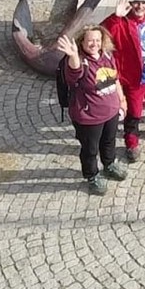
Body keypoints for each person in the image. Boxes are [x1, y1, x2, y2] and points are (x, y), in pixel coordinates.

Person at [56, 27, 128, 196]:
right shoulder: (80, 61)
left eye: (97, 40)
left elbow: (115, 80)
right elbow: (73, 74)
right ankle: (92, 175)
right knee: (90, 149)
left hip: (111, 112)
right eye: (90, 40)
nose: (94, 44)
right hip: (89, 117)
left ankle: (109, 164)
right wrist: (73, 55)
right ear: (82, 42)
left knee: (109, 141)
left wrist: (122, 100)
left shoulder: (107, 56)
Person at [101, 0, 145, 163]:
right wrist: (115, 17)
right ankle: (131, 143)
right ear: (131, 4)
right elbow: (102, 34)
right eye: (136, 2)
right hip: (135, 78)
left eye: (144, 3)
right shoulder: (122, 23)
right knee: (134, 112)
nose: (140, 6)